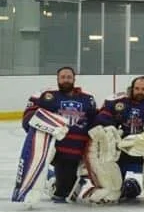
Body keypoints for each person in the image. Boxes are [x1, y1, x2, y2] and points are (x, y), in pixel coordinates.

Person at [76, 77, 144, 206]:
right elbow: (102, 118)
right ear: (132, 88)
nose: (140, 92)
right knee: (102, 138)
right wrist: (111, 132)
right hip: (122, 148)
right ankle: (108, 189)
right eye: (137, 88)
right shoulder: (118, 102)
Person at [12, 67, 98, 204]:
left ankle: (52, 179)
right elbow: (29, 117)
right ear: (57, 79)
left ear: (74, 79)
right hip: (54, 147)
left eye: (69, 77)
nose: (66, 80)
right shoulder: (46, 96)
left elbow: (94, 120)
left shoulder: (87, 99)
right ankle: (50, 178)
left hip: (76, 149)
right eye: (63, 77)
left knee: (65, 192)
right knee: (61, 194)